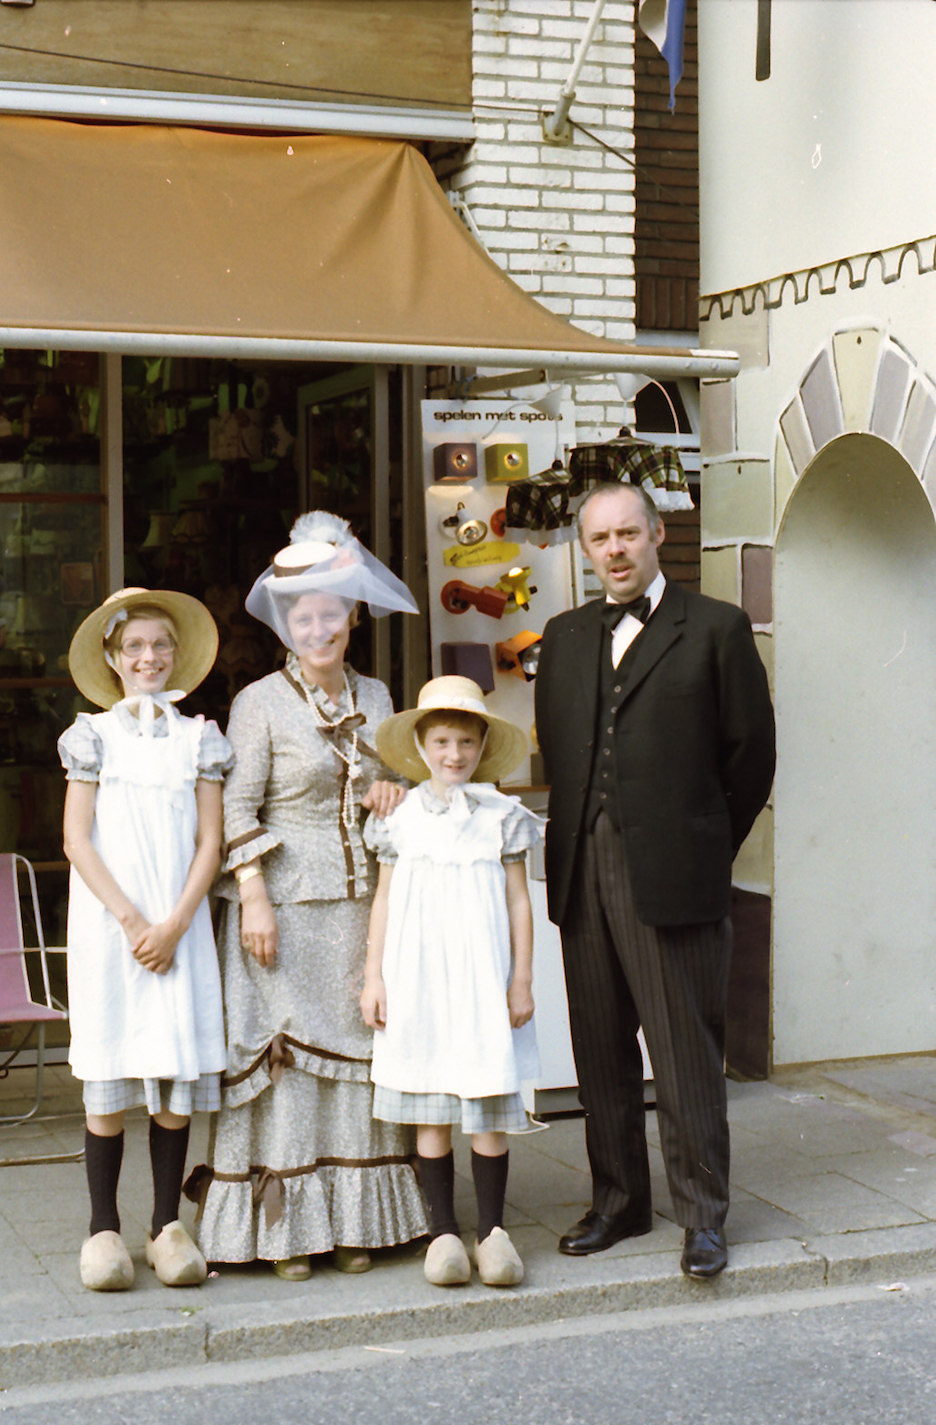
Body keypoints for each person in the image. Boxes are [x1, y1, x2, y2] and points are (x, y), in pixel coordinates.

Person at [534, 481, 776, 1280]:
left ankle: (703, 1218)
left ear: (656, 533)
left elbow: (751, 756)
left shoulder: (715, 628)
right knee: (599, 1051)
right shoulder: (565, 638)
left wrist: (705, 848)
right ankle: (618, 1202)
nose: (615, 550)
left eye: (628, 534)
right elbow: (563, 755)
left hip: (677, 872)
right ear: (585, 547)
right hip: (582, 872)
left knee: (683, 1055)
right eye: (599, 538)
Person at [189, 512, 429, 1279]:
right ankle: (283, 1232)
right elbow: (236, 807)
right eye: (303, 615)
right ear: (285, 622)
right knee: (287, 1064)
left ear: (352, 616)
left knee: (355, 1059)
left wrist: (390, 788)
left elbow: (396, 777)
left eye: (330, 612)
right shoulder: (259, 701)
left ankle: (354, 1223)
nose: (317, 626)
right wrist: (252, 895)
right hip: (284, 909)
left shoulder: (380, 693)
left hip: (360, 902)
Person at [59, 586, 233, 1293]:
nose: (148, 657)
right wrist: (133, 923)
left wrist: (175, 923)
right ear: (112, 657)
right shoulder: (92, 736)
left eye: (160, 645)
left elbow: (211, 839)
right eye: (133, 646)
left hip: (178, 927)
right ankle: (103, 1228)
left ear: (176, 653)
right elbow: (75, 838)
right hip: (112, 928)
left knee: (171, 1080)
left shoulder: (200, 738)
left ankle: (166, 1225)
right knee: (109, 1084)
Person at [360, 677, 541, 1288]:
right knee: (430, 1104)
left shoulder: (503, 818)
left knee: (486, 1104)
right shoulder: (399, 818)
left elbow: (518, 902)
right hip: (418, 976)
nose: (454, 754)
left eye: (466, 741)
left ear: (483, 745)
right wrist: (373, 977)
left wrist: (521, 979)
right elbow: (383, 901)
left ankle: (492, 1232)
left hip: (481, 977)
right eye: (441, 741)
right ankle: (443, 1234)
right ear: (421, 744)